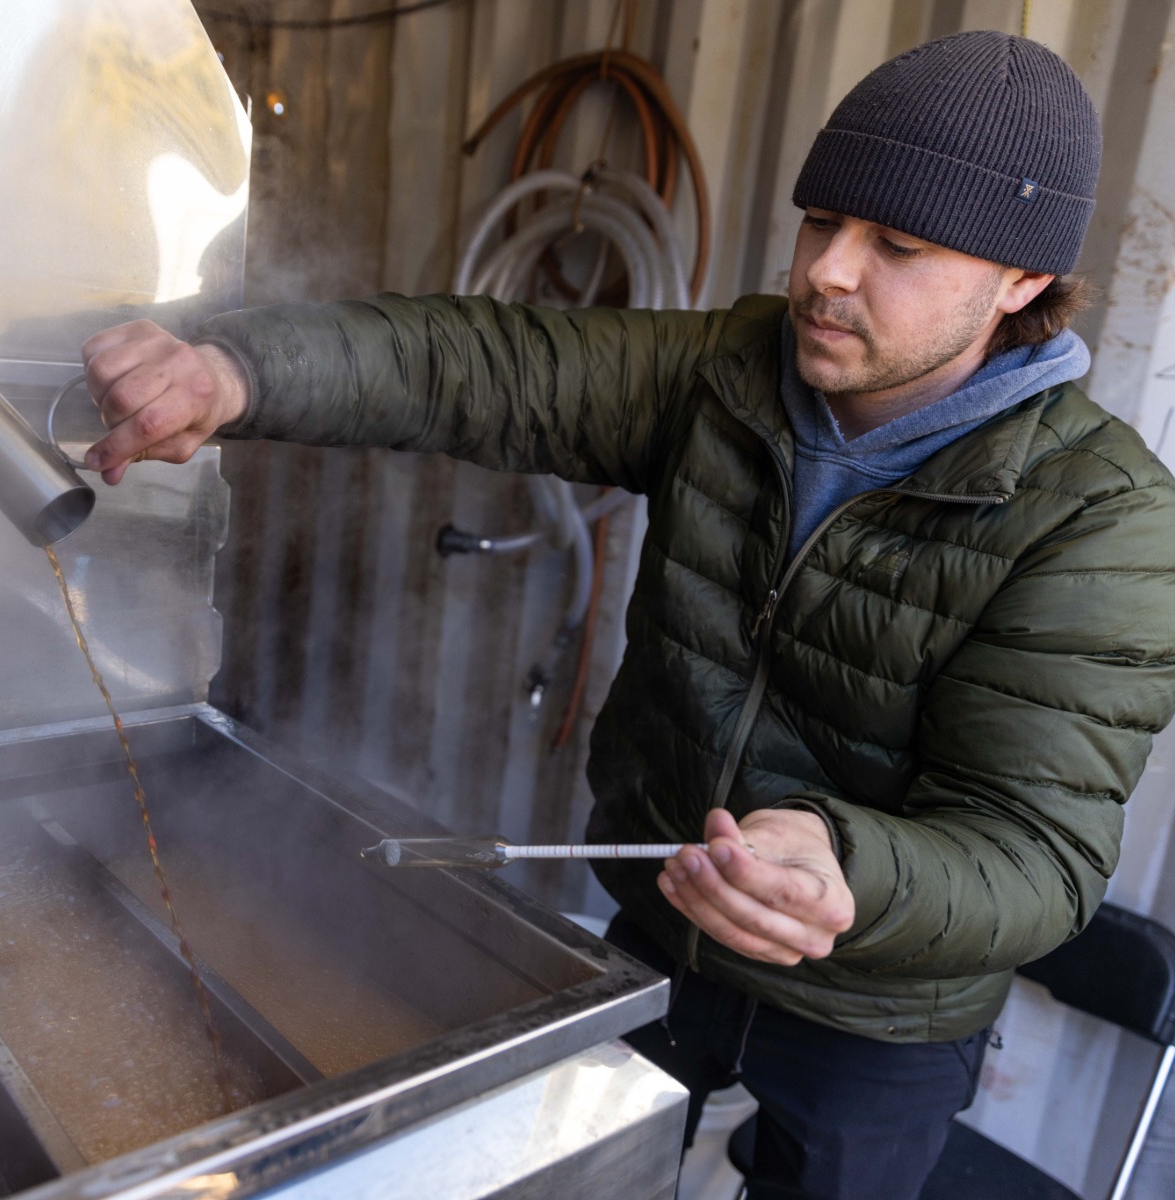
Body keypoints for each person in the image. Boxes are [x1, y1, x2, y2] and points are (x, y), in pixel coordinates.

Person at [78, 31, 1175, 1200]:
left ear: (1020, 282)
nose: (827, 274)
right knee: (580, 1174)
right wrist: (235, 373)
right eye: (821, 223)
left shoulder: (1100, 523)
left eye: (897, 246)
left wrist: (854, 866)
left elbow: (1036, 854)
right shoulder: (735, 371)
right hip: (661, 925)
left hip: (881, 1014)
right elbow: (482, 367)